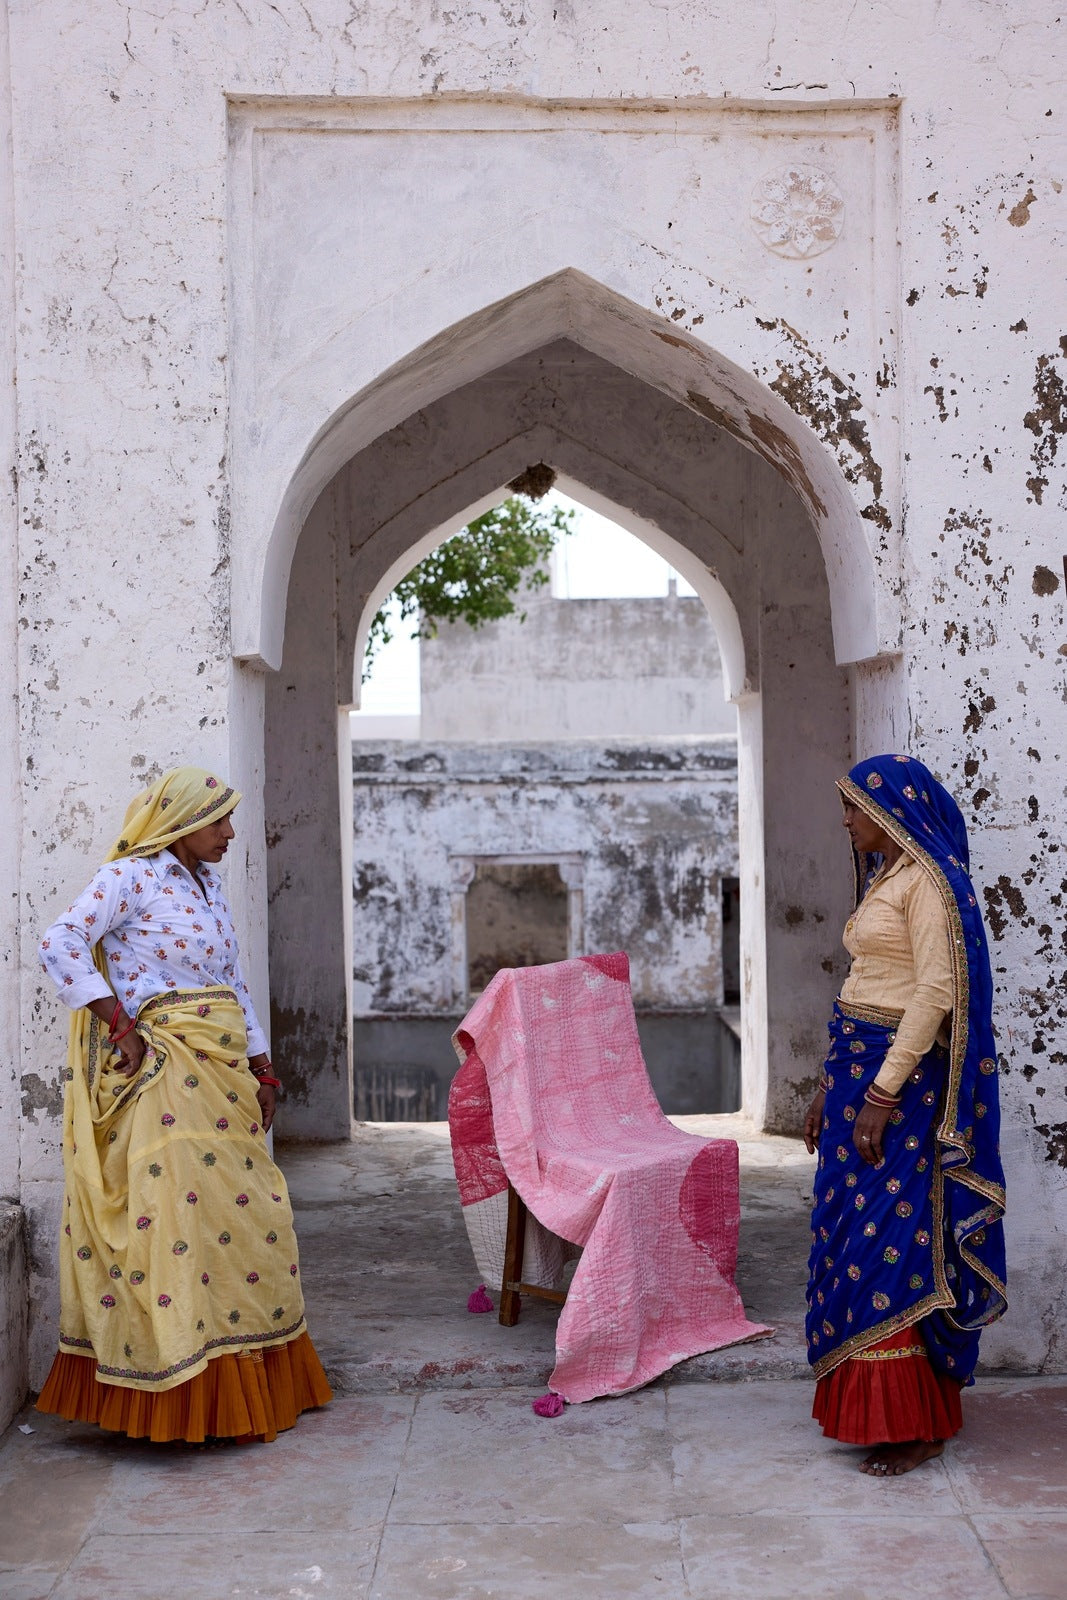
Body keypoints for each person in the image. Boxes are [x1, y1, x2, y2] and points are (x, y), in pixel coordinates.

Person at [35, 766, 332, 1444]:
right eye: (216, 821)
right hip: (168, 1070)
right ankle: (178, 1396)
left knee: (251, 1218)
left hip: (223, 1069)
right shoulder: (130, 877)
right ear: (179, 823)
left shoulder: (208, 885)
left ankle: (248, 1379)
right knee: (173, 1225)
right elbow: (60, 942)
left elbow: (231, 980)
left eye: (229, 819)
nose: (229, 832)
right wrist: (118, 1021)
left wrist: (263, 1066)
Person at [802, 754, 1006, 1476]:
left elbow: (932, 995)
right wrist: (831, 1087)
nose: (846, 820)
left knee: (893, 1237)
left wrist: (881, 1095)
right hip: (859, 1062)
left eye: (855, 808)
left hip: (902, 1080)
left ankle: (914, 1420)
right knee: (850, 1236)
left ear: (890, 813)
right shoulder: (886, 876)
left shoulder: (925, 883)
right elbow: (865, 982)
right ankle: (873, 1406)